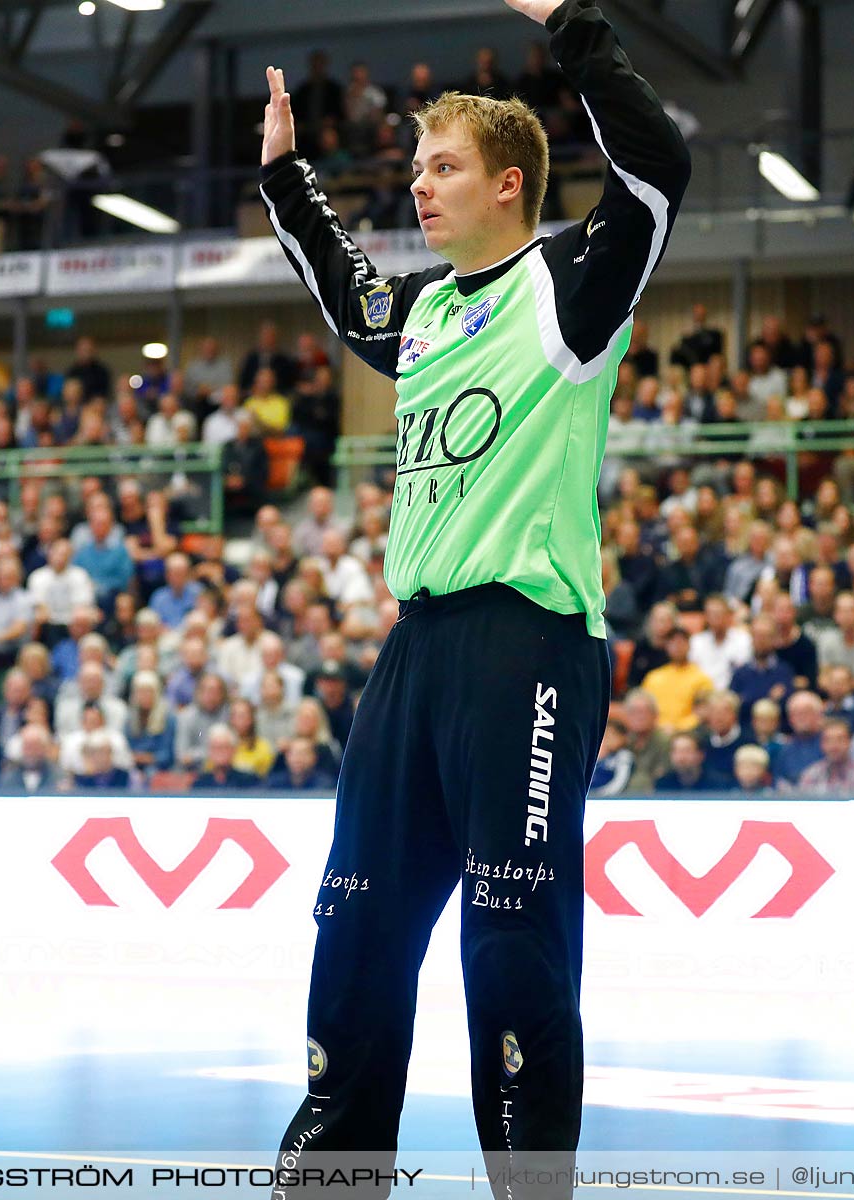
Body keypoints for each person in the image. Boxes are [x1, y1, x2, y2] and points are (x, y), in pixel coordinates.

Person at [259, 0, 689, 1172]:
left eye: (444, 166)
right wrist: (288, 178)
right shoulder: (429, 313)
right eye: (416, 166)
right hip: (417, 650)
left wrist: (574, 28)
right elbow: (347, 290)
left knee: (511, 940)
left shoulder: (573, 286)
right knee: (354, 927)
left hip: (528, 644)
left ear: (511, 184)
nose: (419, 186)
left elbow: (658, 168)